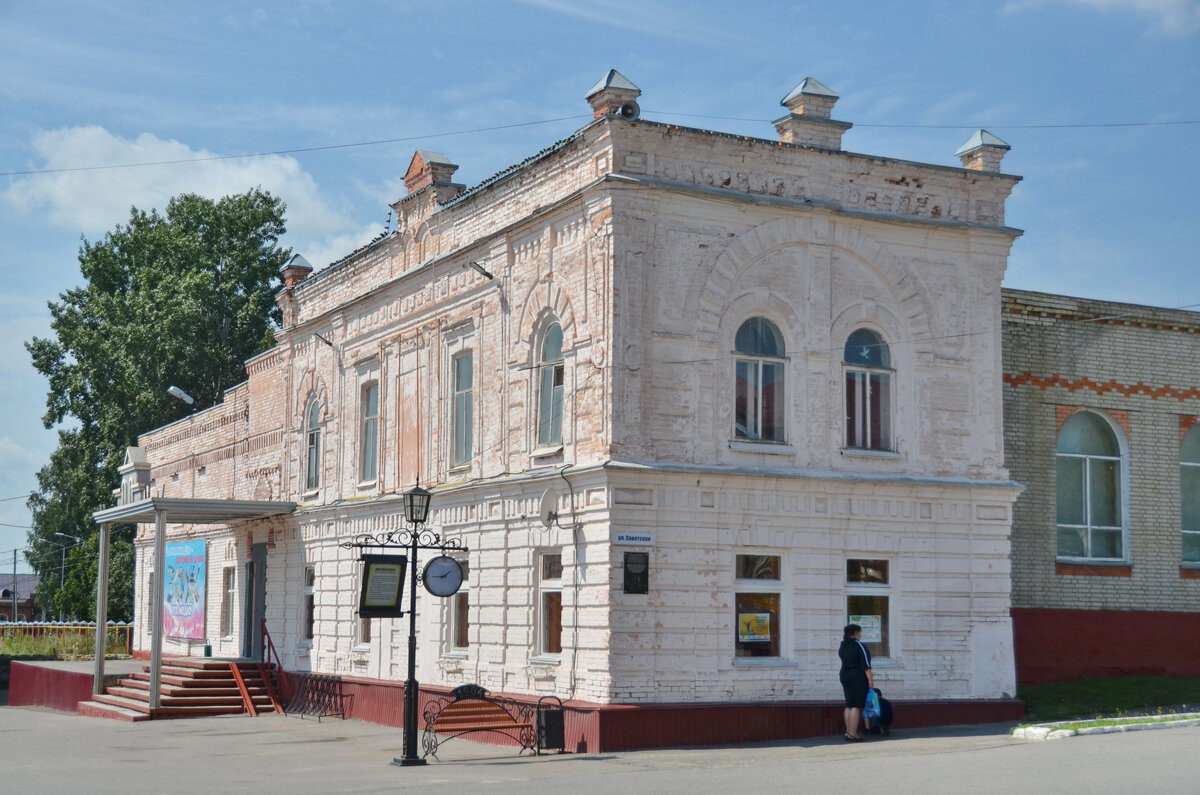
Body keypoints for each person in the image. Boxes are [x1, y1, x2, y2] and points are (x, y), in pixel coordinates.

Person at [838, 623, 874, 741]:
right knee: (857, 705)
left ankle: (848, 732)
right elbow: (866, 665)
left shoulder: (843, 645)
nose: (861, 635)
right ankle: (854, 734)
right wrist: (870, 681)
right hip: (857, 676)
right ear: (856, 633)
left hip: (844, 674)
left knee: (849, 704)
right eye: (860, 632)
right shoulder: (859, 645)